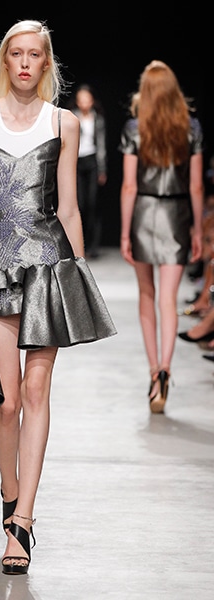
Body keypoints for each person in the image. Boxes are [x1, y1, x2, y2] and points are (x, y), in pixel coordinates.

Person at [0, 20, 116, 576]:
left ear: (46, 63)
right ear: (4, 60)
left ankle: (23, 521)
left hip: (47, 267)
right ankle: (9, 493)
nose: (23, 62)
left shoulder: (65, 122)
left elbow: (69, 207)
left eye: (33, 54)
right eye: (15, 53)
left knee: (36, 392)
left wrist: (79, 278)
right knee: (6, 400)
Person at [119, 60, 204, 414]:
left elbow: (129, 185)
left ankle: (153, 370)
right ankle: (166, 369)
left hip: (143, 212)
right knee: (168, 299)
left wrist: (125, 232)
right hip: (177, 214)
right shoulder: (190, 128)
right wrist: (197, 228)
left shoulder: (134, 128)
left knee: (147, 295)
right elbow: (196, 185)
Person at [71, 84, 107, 258]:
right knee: (80, 204)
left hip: (92, 161)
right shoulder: (72, 117)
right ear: (77, 101)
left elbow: (101, 145)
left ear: (92, 101)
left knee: (93, 204)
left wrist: (102, 169)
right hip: (76, 162)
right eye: (81, 100)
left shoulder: (97, 118)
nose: (84, 103)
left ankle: (93, 245)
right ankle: (79, 244)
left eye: (87, 99)